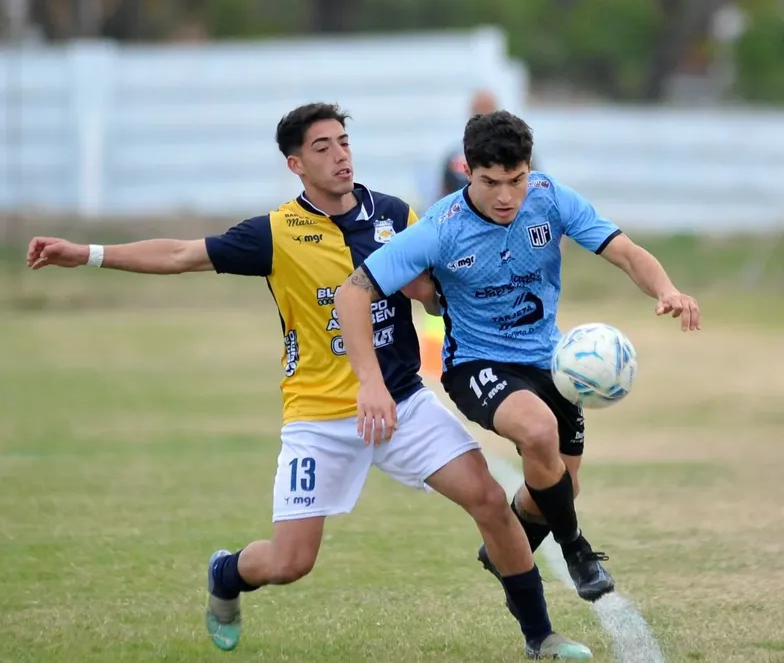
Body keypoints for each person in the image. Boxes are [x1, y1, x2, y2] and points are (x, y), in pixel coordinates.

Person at [24, 102, 593, 661]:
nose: (341, 157)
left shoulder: (396, 214)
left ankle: (540, 637)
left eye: (344, 143)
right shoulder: (275, 232)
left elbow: (435, 281)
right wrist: (88, 253)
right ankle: (226, 572)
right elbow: (178, 254)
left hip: (400, 403)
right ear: (296, 164)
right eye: (323, 148)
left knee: (491, 500)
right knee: (291, 562)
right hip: (319, 416)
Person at [335, 110, 700, 610]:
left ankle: (510, 546)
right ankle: (578, 551)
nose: (506, 196)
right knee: (538, 431)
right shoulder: (441, 227)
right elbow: (352, 292)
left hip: (550, 361)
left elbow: (626, 252)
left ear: (530, 168)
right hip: (477, 364)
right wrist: (369, 381)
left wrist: (668, 290)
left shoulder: (549, 198)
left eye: (516, 180)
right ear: (468, 172)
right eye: (490, 182)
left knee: (559, 487)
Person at [439, 89, 541, 197]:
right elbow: (445, 193)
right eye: (477, 110)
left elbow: (534, 188)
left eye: (487, 109)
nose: (483, 115)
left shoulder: (519, 152)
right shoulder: (455, 157)